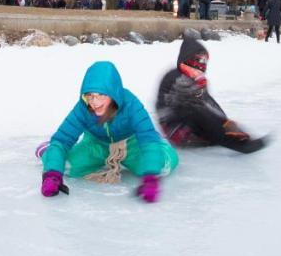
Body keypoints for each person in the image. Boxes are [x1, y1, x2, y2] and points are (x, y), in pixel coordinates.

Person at [38, 61, 178, 202]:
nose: (95, 102)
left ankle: (160, 145)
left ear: (113, 93)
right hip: (97, 145)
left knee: (161, 165)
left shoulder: (131, 104)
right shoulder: (83, 108)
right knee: (66, 166)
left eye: (101, 95)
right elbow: (62, 140)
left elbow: (148, 140)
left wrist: (151, 178)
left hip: (130, 144)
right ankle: (47, 150)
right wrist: (52, 175)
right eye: (90, 96)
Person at [156, 38, 268, 154]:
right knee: (201, 114)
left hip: (189, 123)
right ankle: (240, 145)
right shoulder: (176, 77)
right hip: (175, 128)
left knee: (215, 124)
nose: (203, 64)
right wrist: (219, 124)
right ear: (188, 58)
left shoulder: (195, 78)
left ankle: (237, 137)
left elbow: (208, 102)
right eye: (200, 60)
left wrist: (225, 121)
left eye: (205, 61)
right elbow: (193, 107)